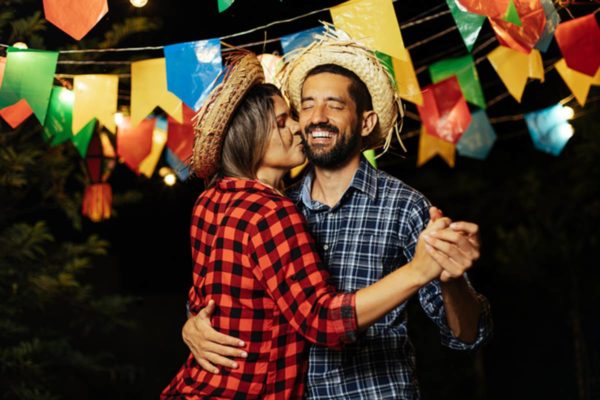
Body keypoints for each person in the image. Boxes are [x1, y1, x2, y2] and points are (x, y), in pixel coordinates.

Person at [182, 33, 493, 399]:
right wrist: (190, 326)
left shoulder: (404, 206)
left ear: (365, 122)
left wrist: (451, 277)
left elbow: (467, 335)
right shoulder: (275, 205)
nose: (315, 118)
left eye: (334, 105)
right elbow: (225, 295)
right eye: (307, 105)